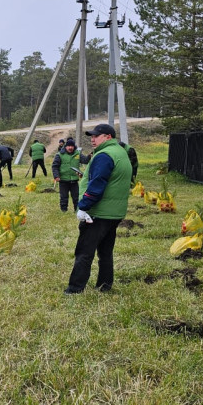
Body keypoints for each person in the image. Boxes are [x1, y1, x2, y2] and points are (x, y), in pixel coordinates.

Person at [64, 124, 132, 294]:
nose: (92, 139)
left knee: (84, 252)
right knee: (105, 252)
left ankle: (74, 289)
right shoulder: (120, 152)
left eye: (96, 136)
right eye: (91, 136)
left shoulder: (104, 155)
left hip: (98, 213)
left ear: (108, 137)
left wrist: (83, 206)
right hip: (114, 213)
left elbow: (97, 184)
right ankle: (105, 285)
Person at [51, 138, 90, 212]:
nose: (70, 147)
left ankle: (77, 210)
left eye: (72, 146)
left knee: (76, 197)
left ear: (74, 147)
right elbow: (55, 166)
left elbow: (85, 160)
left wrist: (89, 156)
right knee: (64, 197)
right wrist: (56, 176)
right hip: (63, 180)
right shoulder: (59, 155)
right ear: (65, 146)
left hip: (74, 180)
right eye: (68, 146)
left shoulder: (77, 154)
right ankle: (64, 210)